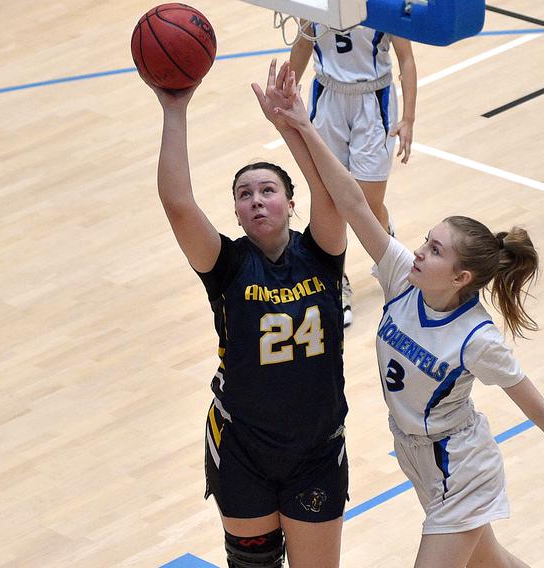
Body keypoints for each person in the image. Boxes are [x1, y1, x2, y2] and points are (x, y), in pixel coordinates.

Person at [266, 61, 544, 568]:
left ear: (460, 278)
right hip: (419, 459)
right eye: (426, 242)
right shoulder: (399, 277)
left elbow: (536, 407)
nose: (419, 252)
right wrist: (300, 125)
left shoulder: (477, 339)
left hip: (463, 467)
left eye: (433, 250)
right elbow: (353, 203)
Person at [150, 61, 349, 568]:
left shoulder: (322, 253)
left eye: (268, 191)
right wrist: (175, 108)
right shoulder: (227, 264)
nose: (257, 200)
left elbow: (332, 193)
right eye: (245, 195)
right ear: (236, 213)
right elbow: (177, 203)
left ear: (290, 203)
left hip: (316, 452)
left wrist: (293, 125)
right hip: (243, 447)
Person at [289, 21, 418, 325]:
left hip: (374, 100)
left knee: (368, 206)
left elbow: (407, 58)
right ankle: (336, 280)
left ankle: (391, 256)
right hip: (327, 96)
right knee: (329, 200)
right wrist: (286, 91)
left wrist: (409, 118)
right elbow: (304, 42)